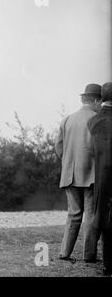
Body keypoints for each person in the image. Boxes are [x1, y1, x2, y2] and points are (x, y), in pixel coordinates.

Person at [55, 83, 102, 263]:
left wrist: (67, 161)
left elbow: (58, 147)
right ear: (96, 100)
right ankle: (89, 255)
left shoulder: (67, 119)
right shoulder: (97, 119)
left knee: (73, 214)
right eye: (101, 101)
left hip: (69, 174)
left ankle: (64, 252)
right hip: (91, 174)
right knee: (90, 214)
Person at [88, 82, 112, 276]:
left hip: (102, 177)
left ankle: (107, 264)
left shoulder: (93, 122)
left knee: (105, 217)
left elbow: (91, 151)